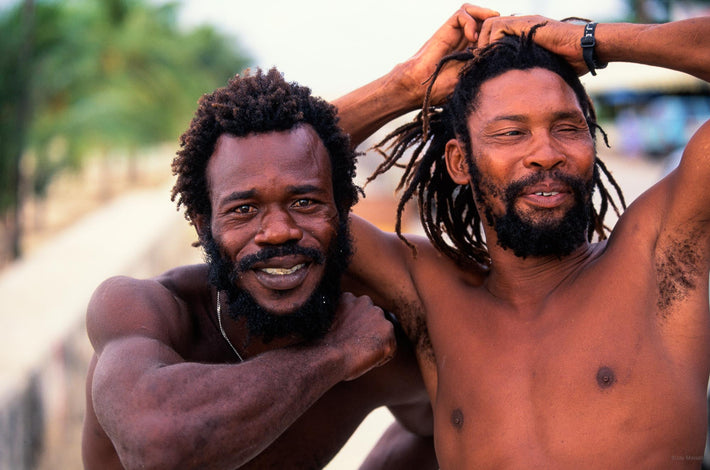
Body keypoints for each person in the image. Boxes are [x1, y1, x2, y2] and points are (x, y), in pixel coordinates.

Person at [80, 5, 504, 465]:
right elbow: (159, 445)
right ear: (203, 224)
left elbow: (448, 426)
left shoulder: (378, 340)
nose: (279, 231)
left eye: (305, 203)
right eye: (244, 209)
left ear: (342, 213)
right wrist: (332, 356)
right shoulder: (146, 310)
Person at [332, 10, 710, 469]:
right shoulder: (430, 295)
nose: (546, 154)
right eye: (512, 133)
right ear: (459, 162)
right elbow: (255, 190)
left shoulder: (658, 255)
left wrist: (590, 41)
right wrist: (408, 86)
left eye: (568, 128)